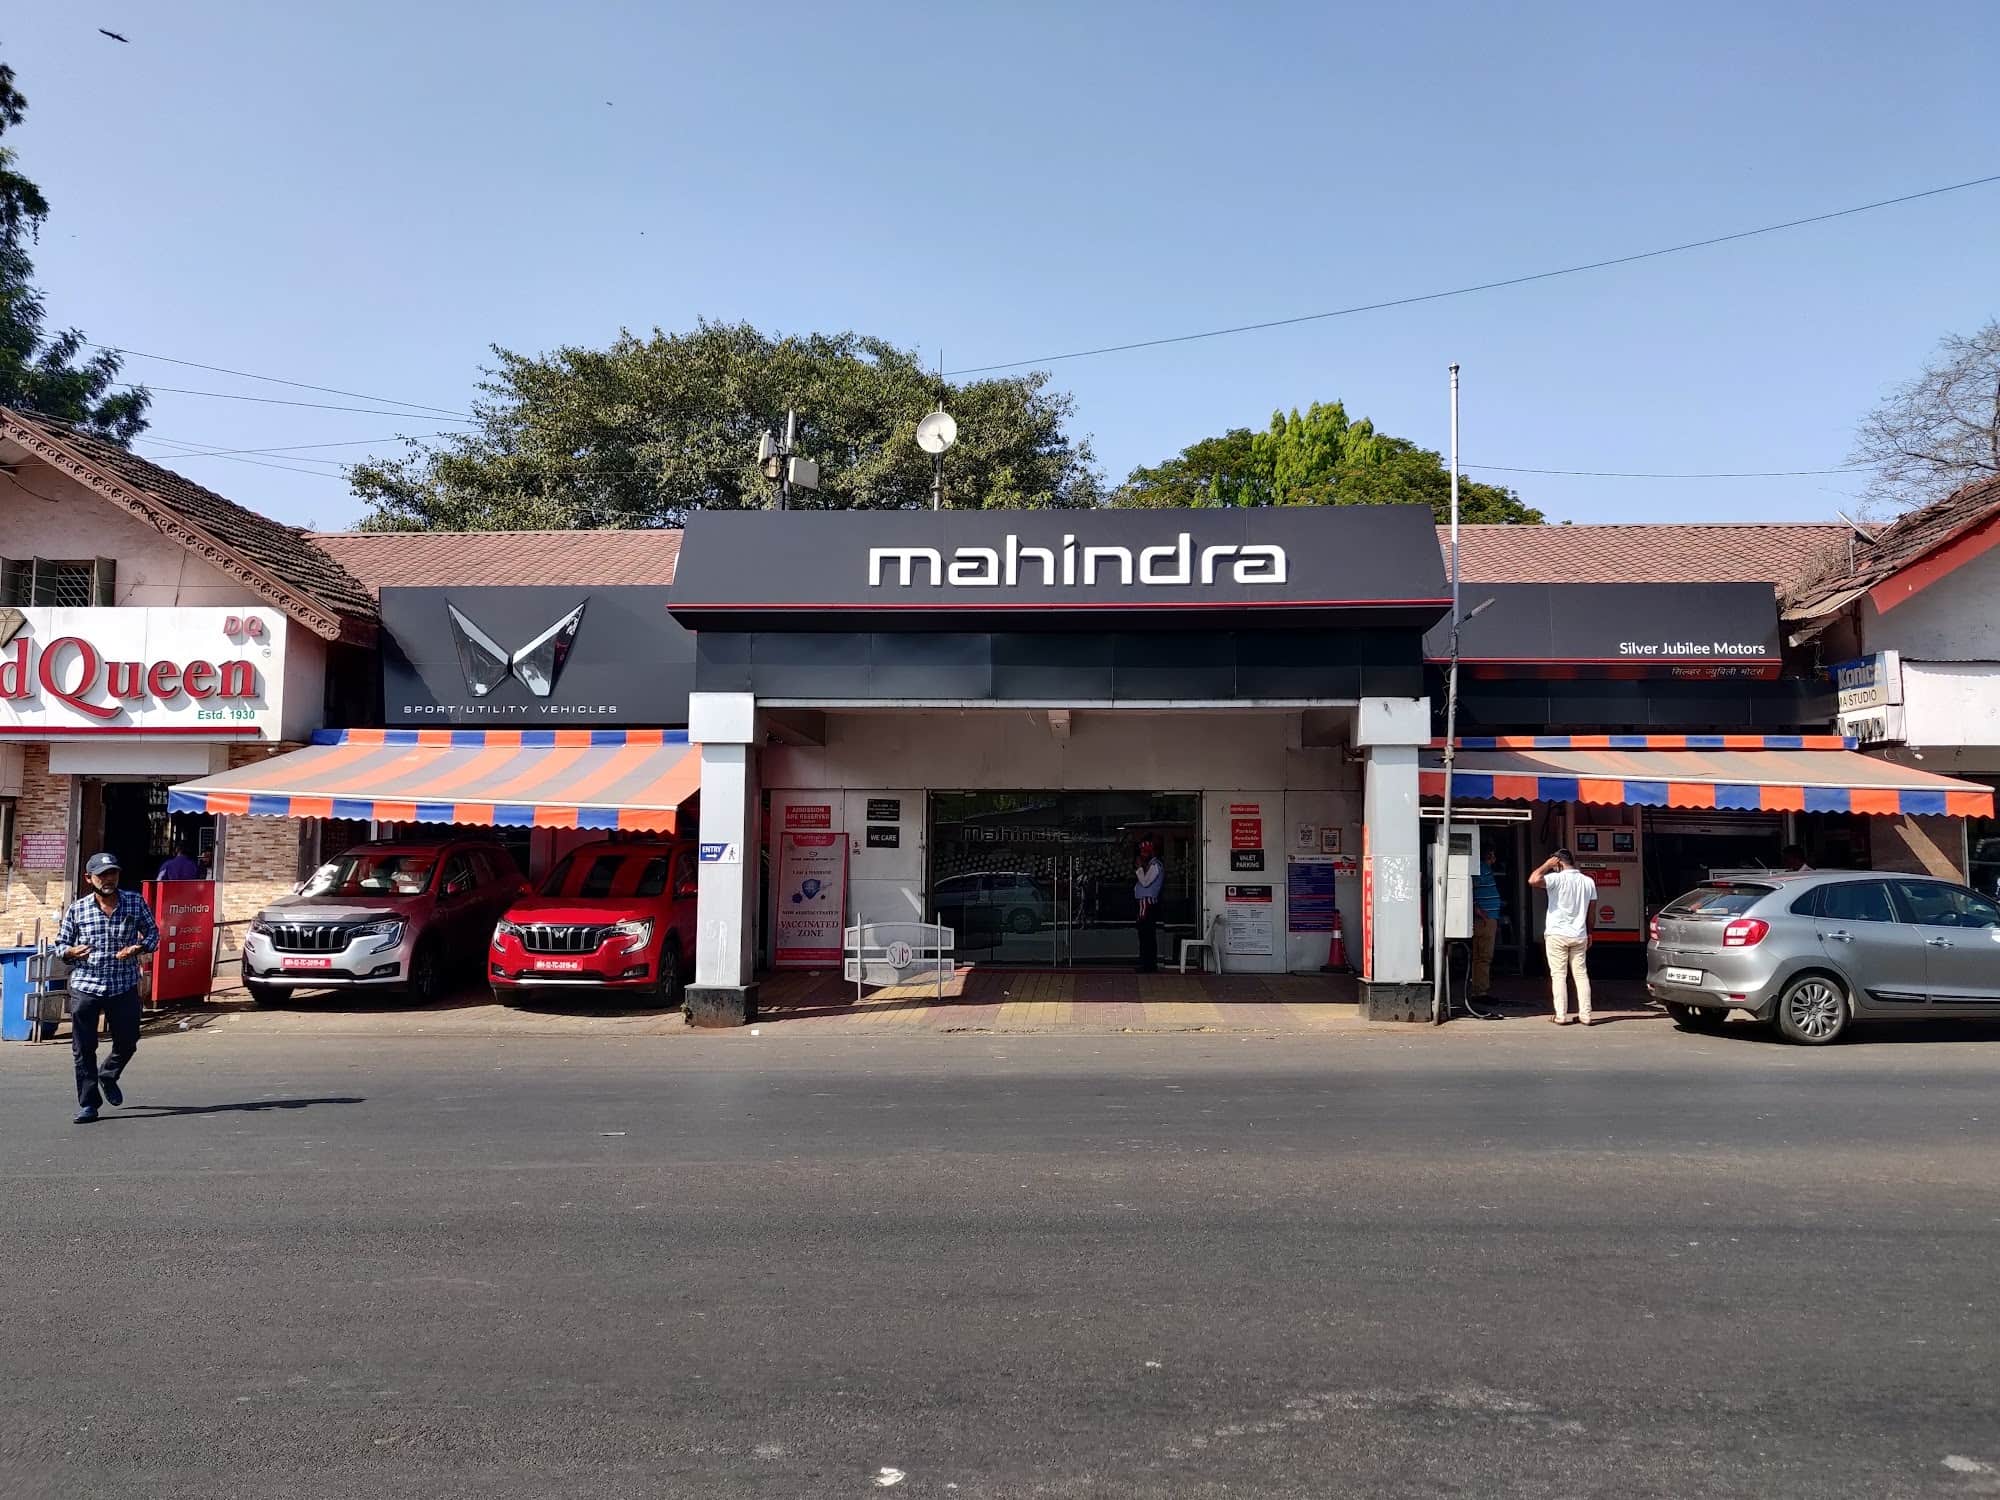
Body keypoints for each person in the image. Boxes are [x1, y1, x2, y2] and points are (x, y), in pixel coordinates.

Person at [57, 852, 160, 1124]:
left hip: (122, 984)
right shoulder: (77, 909)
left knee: (128, 1041)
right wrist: (71, 951)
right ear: (88, 879)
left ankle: (108, 1074)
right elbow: (60, 945)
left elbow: (153, 933)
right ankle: (89, 1104)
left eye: (112, 873)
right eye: (101, 875)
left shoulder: (134, 902)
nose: (108, 879)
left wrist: (139, 947)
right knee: (83, 1047)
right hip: (86, 985)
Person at [1529, 847, 1598, 1026]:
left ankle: (1561, 1015)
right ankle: (1586, 1015)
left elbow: (1533, 879)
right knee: (1581, 975)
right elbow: (1592, 912)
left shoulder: (1555, 878)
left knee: (1559, 975)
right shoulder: (1588, 882)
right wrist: (1590, 932)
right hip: (1579, 934)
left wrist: (1546, 865)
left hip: (1557, 934)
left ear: (1558, 863)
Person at [1469, 849, 1503, 1001]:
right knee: (1484, 956)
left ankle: (1478, 989)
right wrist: (1477, 909)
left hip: (1487, 918)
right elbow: (1470, 887)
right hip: (1485, 919)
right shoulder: (1482, 869)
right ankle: (1481, 991)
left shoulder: (1482, 869)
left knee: (1479, 956)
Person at [1132, 838, 1164, 975]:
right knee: (1145, 934)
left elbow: (1145, 882)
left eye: (1145, 852)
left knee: (1147, 934)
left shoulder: (1155, 866)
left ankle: (1148, 965)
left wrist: (1139, 868)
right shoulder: (1151, 865)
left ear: (1151, 853)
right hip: (1144, 903)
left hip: (1147, 903)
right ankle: (1146, 963)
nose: (1142, 855)